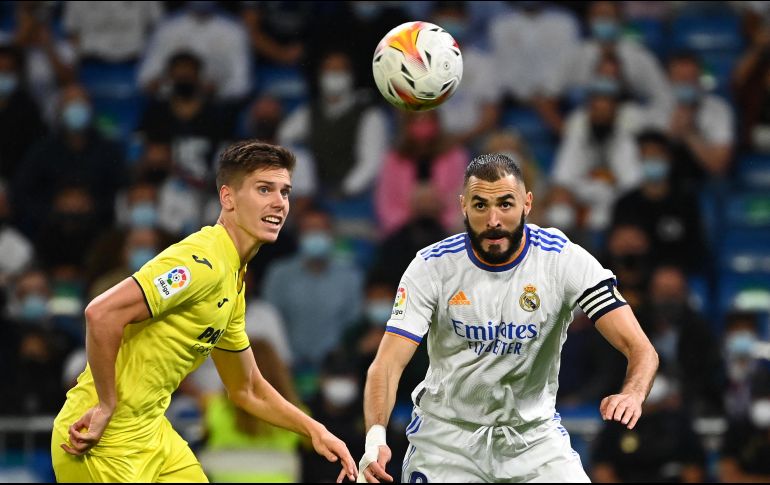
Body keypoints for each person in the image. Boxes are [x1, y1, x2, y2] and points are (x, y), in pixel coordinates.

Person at [50, 141, 357, 482]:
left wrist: (315, 430)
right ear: (228, 198)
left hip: (152, 434)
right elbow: (102, 313)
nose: (279, 203)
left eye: (284, 192)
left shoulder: (232, 281)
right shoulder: (202, 261)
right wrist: (106, 403)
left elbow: (247, 388)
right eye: (264, 189)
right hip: (100, 434)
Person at [357, 154, 659, 482]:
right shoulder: (432, 268)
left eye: (505, 204)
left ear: (527, 203)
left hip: (533, 439)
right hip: (447, 441)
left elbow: (641, 348)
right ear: (463, 206)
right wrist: (375, 438)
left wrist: (632, 392)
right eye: (480, 205)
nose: (493, 219)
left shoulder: (562, 260)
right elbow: (387, 364)